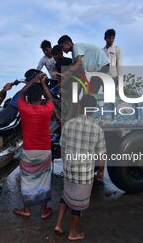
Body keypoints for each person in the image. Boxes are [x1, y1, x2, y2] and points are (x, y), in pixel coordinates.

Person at [54, 95, 106, 241]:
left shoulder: (68, 124)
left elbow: (62, 148)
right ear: (94, 110)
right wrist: (101, 170)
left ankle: (58, 224)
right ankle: (73, 233)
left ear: (80, 106)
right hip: (84, 173)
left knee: (66, 195)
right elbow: (101, 154)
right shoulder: (97, 129)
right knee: (78, 204)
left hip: (69, 168)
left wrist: (66, 164)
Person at [13, 72, 54, 219]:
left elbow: (20, 95)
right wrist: (43, 84)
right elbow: (50, 99)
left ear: (29, 99)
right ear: (41, 97)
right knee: (44, 179)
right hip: (44, 151)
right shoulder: (47, 109)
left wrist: (32, 82)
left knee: (27, 180)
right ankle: (43, 211)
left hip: (29, 151)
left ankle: (26, 209)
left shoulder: (25, 109)